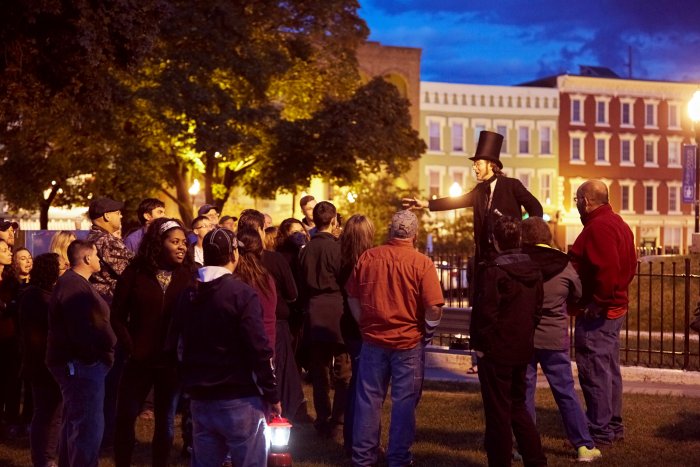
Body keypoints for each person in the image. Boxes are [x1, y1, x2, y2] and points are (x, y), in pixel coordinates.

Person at [170, 228, 281, 467]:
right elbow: (259, 348)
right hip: (239, 397)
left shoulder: (188, 293)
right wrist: (272, 393)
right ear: (234, 254)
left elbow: (177, 344)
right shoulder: (241, 293)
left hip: (201, 397)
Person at [346, 210, 444, 467]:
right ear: (415, 233)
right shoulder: (421, 263)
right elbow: (434, 306)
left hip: (373, 339)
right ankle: (398, 458)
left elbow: (352, 296)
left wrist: (363, 323)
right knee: (403, 403)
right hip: (408, 341)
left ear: (390, 230)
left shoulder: (368, 257)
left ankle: (363, 457)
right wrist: (429, 331)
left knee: (368, 400)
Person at [112, 218, 196, 467]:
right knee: (125, 417)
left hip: (171, 363)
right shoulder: (135, 273)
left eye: (184, 242)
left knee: (166, 420)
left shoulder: (189, 276)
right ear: (159, 244)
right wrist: (131, 347)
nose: (182, 247)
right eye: (174, 241)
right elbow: (116, 316)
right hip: (138, 360)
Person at [521, 217, 602, 462]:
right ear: (547, 236)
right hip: (555, 337)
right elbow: (578, 293)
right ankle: (583, 445)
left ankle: (525, 444)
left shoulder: (519, 263)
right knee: (565, 391)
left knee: (524, 392)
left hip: (524, 338)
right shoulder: (564, 265)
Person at [470, 216, 547, 467]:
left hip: (496, 351)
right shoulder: (533, 271)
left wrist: (481, 347)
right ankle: (536, 460)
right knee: (517, 407)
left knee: (498, 414)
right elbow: (536, 311)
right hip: (521, 349)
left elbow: (486, 313)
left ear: (495, 240)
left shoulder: (494, 271)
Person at [405, 130, 542, 266]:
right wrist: (425, 203)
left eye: (478, 164)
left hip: (509, 257)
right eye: (474, 165)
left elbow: (536, 207)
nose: (474, 168)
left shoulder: (512, 185)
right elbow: (456, 201)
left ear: (491, 165)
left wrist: (525, 237)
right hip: (485, 259)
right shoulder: (479, 190)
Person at [570, 179, 637, 446]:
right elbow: (629, 266)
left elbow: (607, 270)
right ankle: (613, 425)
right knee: (608, 369)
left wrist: (597, 302)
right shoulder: (618, 223)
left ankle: (599, 431)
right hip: (615, 308)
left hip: (599, 312)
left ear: (586, 201)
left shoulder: (598, 228)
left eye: (577, 200)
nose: (576, 205)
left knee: (594, 370)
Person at [46, 239, 117, 467]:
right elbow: (79, 330)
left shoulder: (74, 283)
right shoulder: (74, 286)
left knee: (76, 424)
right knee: (87, 428)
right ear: (87, 258)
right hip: (81, 367)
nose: (99, 260)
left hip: (82, 364)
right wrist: (96, 357)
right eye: (96, 256)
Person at [238, 211, 305, 421]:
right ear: (259, 230)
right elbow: (292, 293)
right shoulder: (272, 260)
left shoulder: (234, 261)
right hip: (273, 325)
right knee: (275, 374)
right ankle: (276, 416)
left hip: (243, 327)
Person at [85, 197, 134, 451]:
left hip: (98, 313)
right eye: (117, 213)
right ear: (105, 216)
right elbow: (132, 270)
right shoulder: (106, 241)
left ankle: (101, 433)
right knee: (111, 379)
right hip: (111, 311)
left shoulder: (89, 239)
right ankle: (106, 435)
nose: (121, 217)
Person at [299, 201, 350, 438]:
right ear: (333, 220)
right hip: (336, 310)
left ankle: (322, 417)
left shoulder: (306, 249)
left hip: (314, 309)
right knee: (342, 369)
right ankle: (338, 420)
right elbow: (345, 279)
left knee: (319, 370)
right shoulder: (337, 248)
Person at [18, 253, 62, 467]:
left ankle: (48, 457)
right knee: (45, 414)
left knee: (53, 414)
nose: (65, 269)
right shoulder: (36, 297)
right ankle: (42, 459)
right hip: (42, 365)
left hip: (46, 364)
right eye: (61, 266)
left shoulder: (43, 294)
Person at [338, 214, 375, 456]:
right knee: (365, 386)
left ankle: (353, 438)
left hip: (349, 326)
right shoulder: (364, 262)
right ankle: (357, 441)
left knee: (358, 384)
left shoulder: (343, 259)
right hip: (361, 325)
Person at [0, 239, 22, 437]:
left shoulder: (11, 281)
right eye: (5, 250)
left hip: (11, 337)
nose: (9, 253)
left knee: (12, 380)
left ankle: (12, 419)